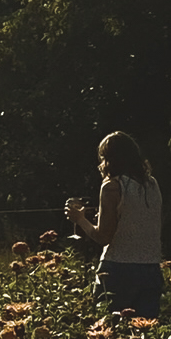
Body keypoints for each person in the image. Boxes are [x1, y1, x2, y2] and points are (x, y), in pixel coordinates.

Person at [65, 131, 164, 318]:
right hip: (151, 268)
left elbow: (103, 237)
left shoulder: (111, 186)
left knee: (109, 330)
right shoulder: (152, 184)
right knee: (145, 334)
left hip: (118, 268)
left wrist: (80, 220)